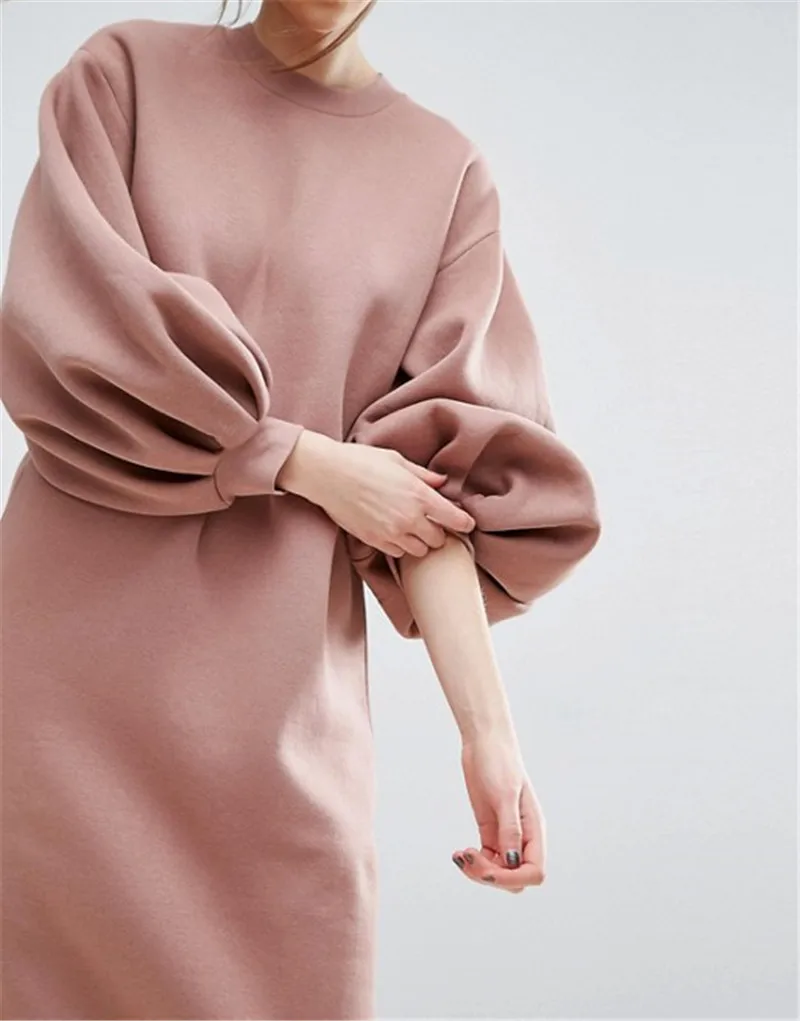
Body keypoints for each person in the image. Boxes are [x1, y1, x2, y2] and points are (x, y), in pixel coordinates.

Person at [0, 0, 601, 1017]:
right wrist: (302, 460)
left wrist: (490, 739)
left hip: (278, 709)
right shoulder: (124, 76)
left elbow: (434, 494)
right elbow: (74, 341)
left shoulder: (443, 174)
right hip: (67, 691)